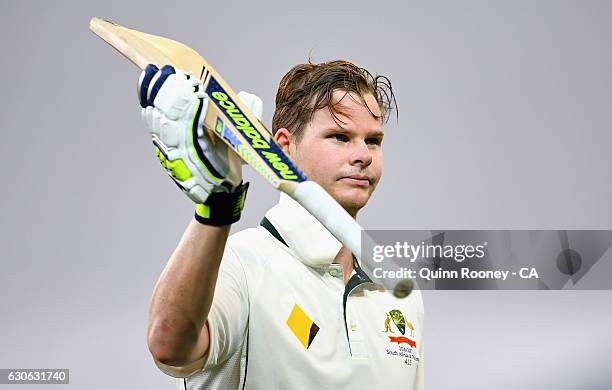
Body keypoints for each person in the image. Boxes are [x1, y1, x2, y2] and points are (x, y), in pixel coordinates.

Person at [138, 60, 424, 389]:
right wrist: (217, 205)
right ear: (286, 146)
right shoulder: (240, 263)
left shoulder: (401, 295)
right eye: (340, 137)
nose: (363, 155)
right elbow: (169, 344)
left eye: (373, 141)